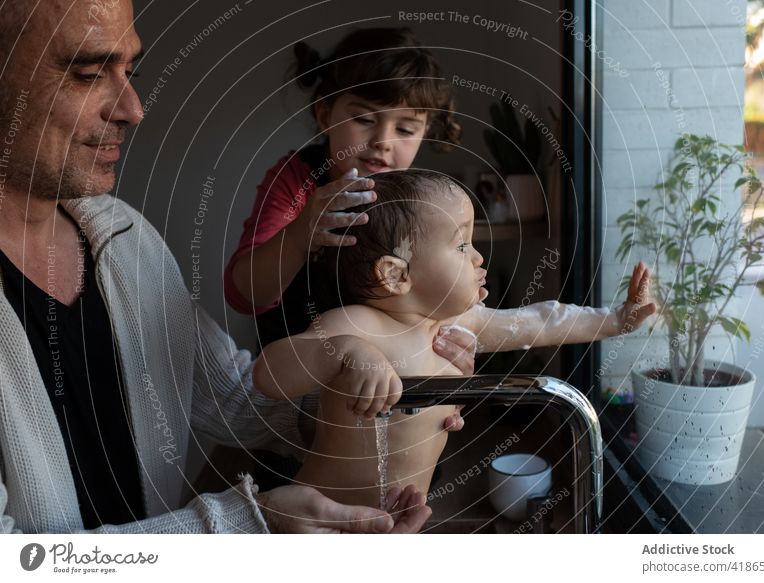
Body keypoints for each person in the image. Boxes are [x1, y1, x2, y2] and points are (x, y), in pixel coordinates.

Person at [0, 0, 429, 534]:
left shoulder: (122, 239)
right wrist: (247, 527)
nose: (133, 108)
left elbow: (233, 397)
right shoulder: (295, 187)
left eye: (129, 72)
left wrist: (402, 400)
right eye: (88, 73)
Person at [255, 170, 657, 507]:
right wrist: (346, 352)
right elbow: (269, 375)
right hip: (317, 516)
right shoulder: (358, 325)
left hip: (395, 524)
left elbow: (540, 323)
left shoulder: (457, 325)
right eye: (462, 245)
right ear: (396, 275)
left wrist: (615, 320)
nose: (479, 258)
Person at [223, 29, 476, 434]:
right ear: (325, 113)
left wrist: (452, 341)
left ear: (426, 131)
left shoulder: (422, 201)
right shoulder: (297, 183)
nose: (382, 142)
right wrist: (304, 229)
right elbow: (245, 292)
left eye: (406, 129)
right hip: (300, 395)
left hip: (396, 394)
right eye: (363, 119)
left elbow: (441, 295)